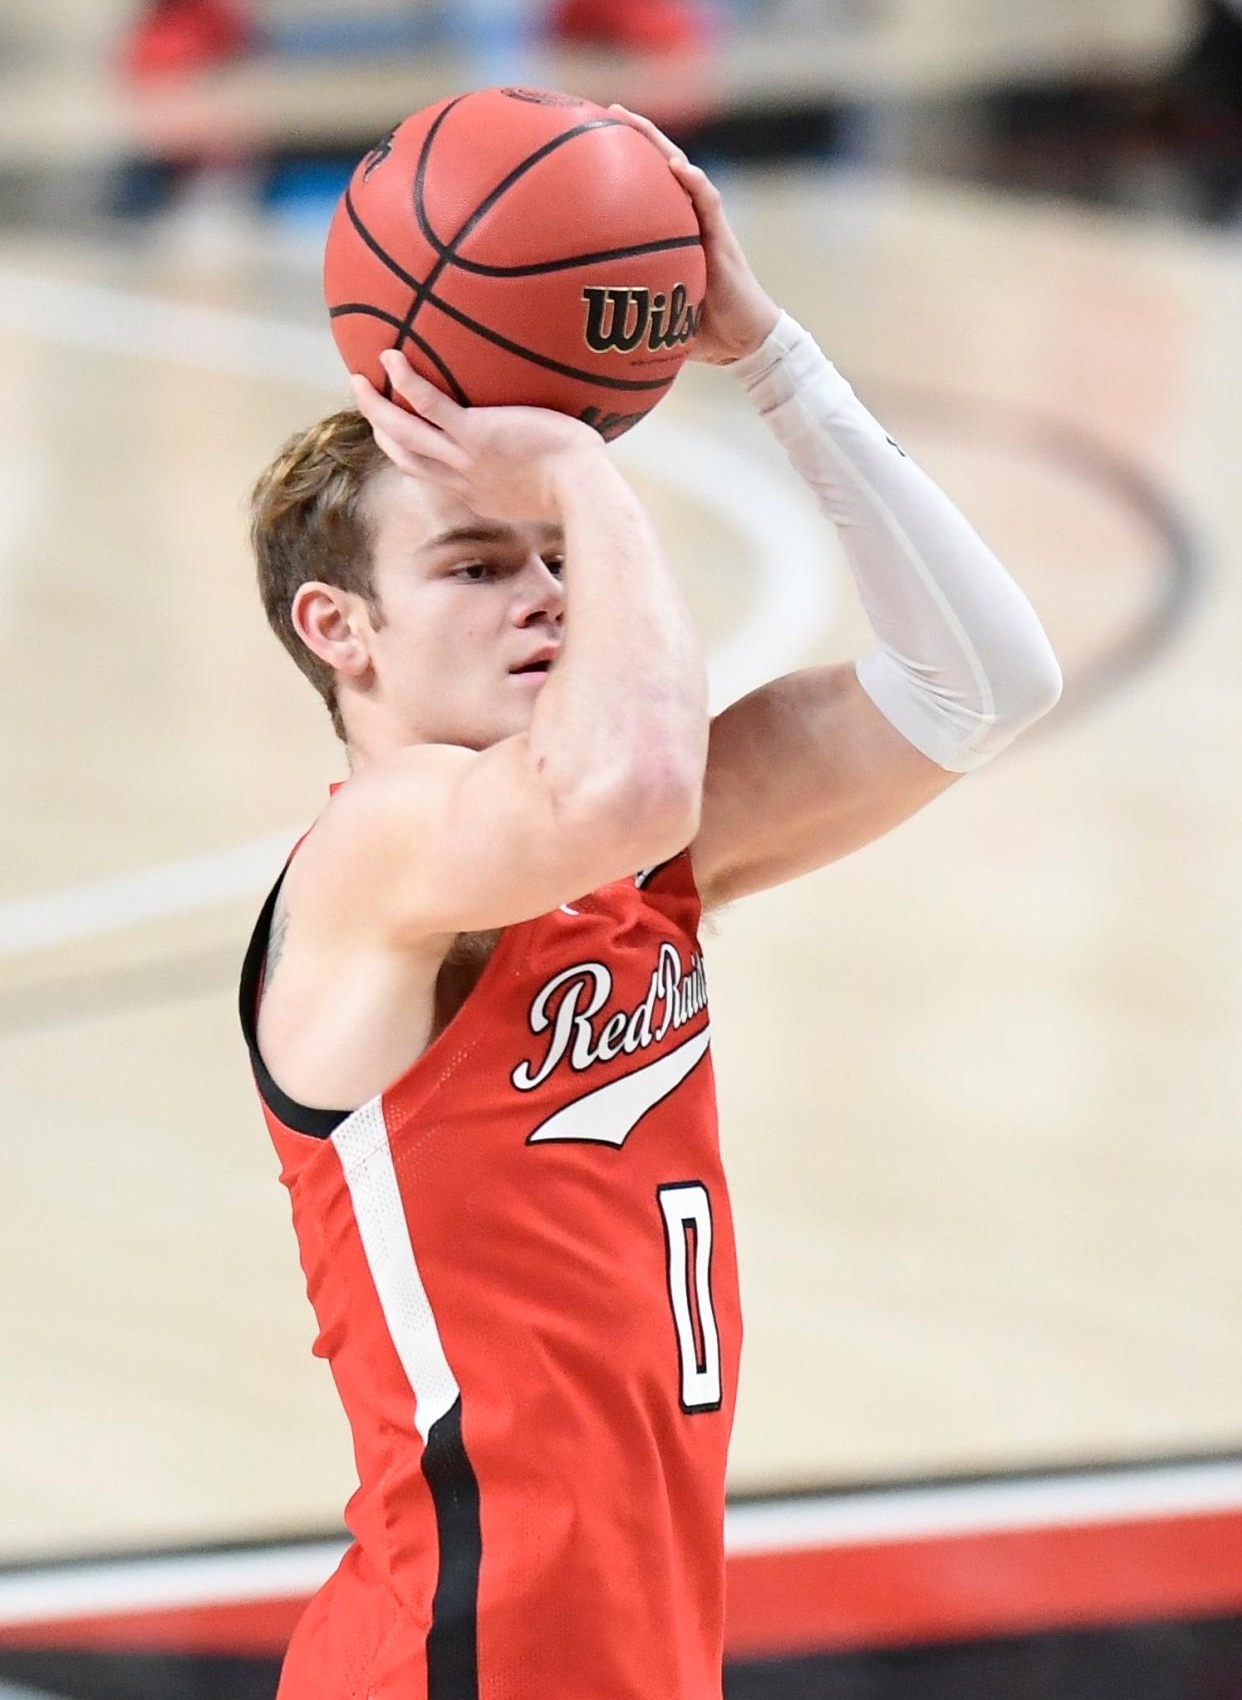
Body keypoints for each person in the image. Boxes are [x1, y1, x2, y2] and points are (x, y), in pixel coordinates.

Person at [240, 106, 1062, 1700]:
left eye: (554, 561)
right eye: (479, 566)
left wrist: (765, 354)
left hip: (622, 1646)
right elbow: (622, 783)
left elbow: (980, 684)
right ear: (339, 630)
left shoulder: (631, 866)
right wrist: (575, 460)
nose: (548, 590)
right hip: (453, 1660)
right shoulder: (372, 860)